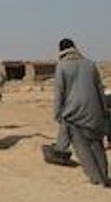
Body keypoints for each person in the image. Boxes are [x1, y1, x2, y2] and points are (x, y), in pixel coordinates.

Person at [53, 38, 109, 187]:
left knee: (83, 150)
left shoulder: (62, 66)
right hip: (94, 113)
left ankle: (97, 179)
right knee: (97, 145)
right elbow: (100, 89)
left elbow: (59, 92)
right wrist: (103, 110)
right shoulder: (90, 64)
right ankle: (104, 175)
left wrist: (57, 113)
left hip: (74, 115)